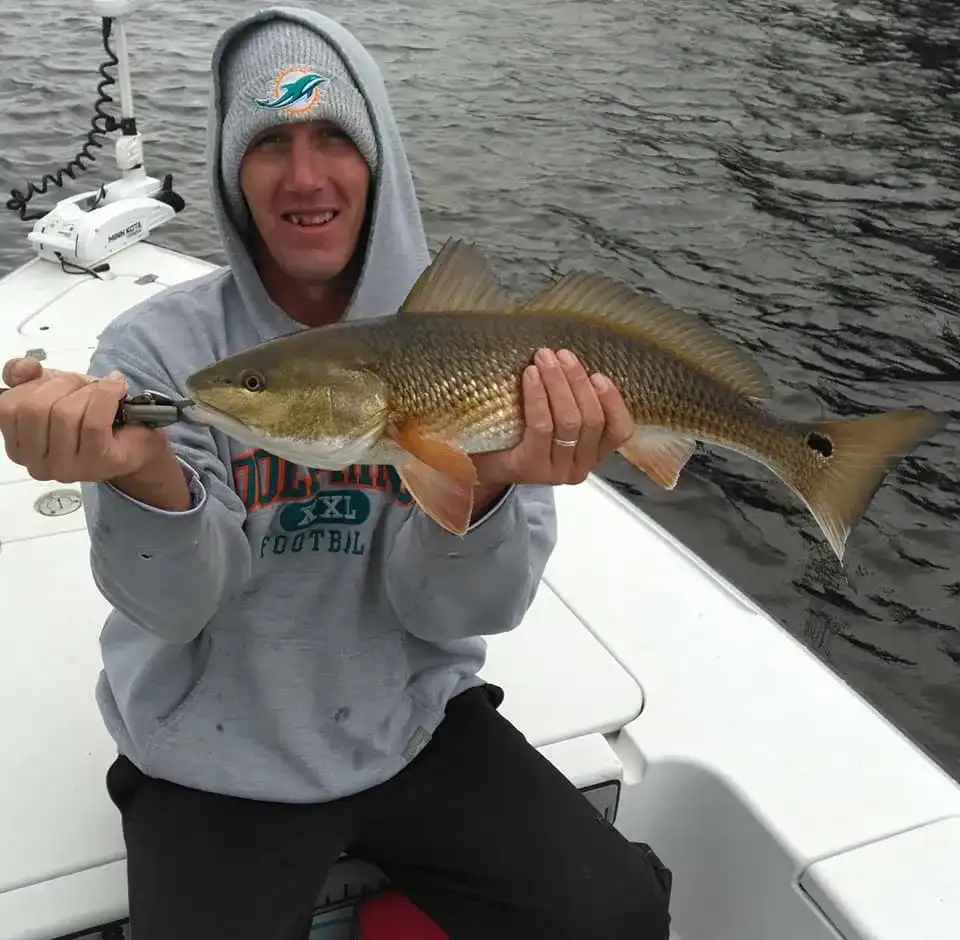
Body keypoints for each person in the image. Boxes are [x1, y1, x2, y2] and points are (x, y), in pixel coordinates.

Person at [0, 6, 672, 939]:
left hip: (413, 720)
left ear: (377, 160)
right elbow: (177, 607)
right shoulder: (159, 350)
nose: (304, 176)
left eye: (333, 139)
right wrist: (146, 485)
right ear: (233, 173)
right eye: (269, 141)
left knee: (614, 912)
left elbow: (457, 615)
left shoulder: (486, 353)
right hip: (212, 749)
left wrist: (484, 486)